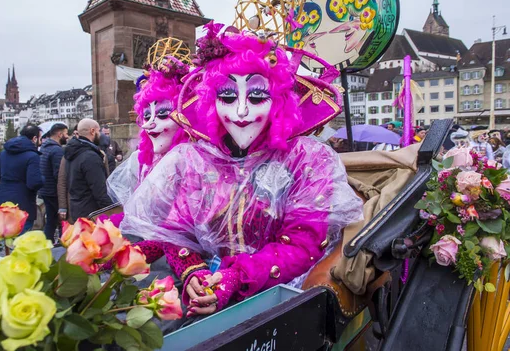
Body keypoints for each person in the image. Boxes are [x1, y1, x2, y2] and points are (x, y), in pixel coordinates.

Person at [121, 22, 363, 317]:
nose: (242, 112)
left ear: (279, 102)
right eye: (227, 97)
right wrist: (193, 274)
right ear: (212, 102)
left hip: (281, 301)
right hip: (208, 303)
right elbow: (176, 232)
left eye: (258, 96)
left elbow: (302, 244)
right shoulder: (196, 160)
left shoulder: (307, 159)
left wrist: (238, 277)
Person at [106, 56, 190, 206]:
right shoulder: (137, 162)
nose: (147, 125)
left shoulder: (198, 165)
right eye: (146, 116)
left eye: (163, 114)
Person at [0, 125, 44, 233]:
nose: (41, 142)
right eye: (40, 138)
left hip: (3, 204)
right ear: (34, 139)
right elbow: (33, 183)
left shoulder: (4, 153)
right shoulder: (32, 156)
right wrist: (43, 178)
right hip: (23, 205)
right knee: (20, 242)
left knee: (6, 240)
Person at [64, 118, 113, 219]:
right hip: (91, 213)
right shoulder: (90, 156)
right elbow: (100, 192)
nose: (100, 134)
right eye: (98, 131)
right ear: (92, 131)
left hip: (77, 209)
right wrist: (114, 213)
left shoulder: (74, 151)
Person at [39, 123, 68, 240]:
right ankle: (62, 246)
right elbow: (59, 174)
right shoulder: (56, 150)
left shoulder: (45, 147)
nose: (67, 136)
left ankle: (48, 245)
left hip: (45, 190)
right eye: (66, 134)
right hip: (54, 191)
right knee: (62, 221)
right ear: (59, 134)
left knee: (50, 221)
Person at [57, 125, 78, 222]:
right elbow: (62, 181)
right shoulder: (68, 155)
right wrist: (63, 207)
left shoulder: (100, 153)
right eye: (76, 134)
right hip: (73, 204)